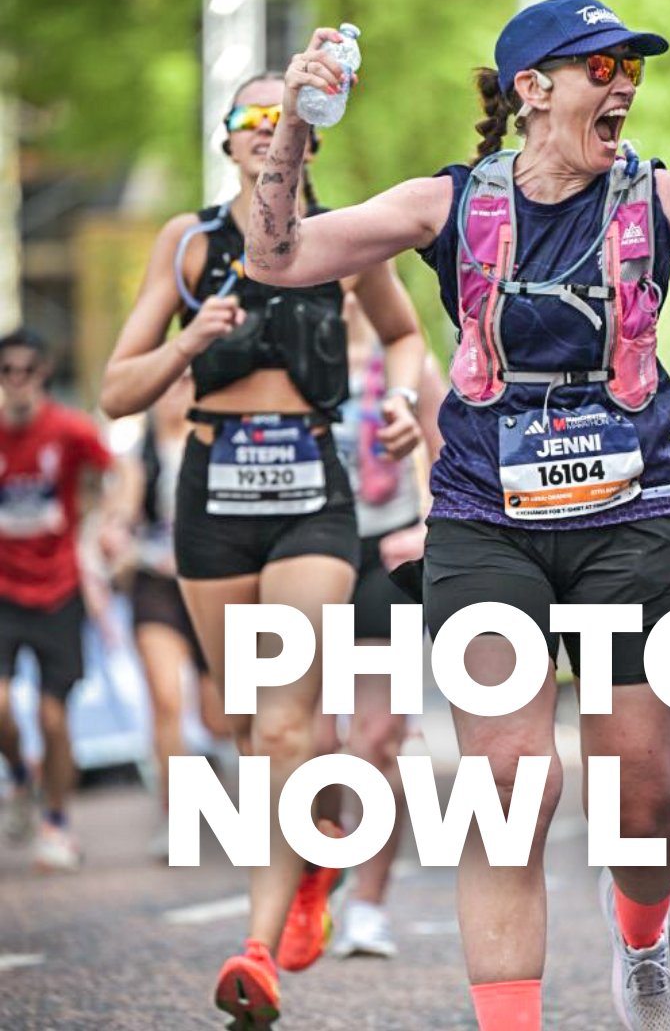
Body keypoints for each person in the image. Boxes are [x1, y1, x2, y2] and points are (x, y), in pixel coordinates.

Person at [247, 0, 670, 1031]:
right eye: (601, 67)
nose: (624, 85)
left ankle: (643, 933)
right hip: (486, 520)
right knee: (508, 786)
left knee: (640, 802)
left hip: (633, 520)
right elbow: (277, 260)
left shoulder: (659, 197)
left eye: (633, 68)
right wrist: (295, 131)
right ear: (533, 89)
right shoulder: (448, 204)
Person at [99, 72, 424, 1030]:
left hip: (311, 497)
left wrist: (402, 402)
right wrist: (187, 341)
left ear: (310, 141)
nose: (266, 130)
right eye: (249, 116)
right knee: (243, 724)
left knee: (285, 729)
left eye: (286, 118)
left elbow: (404, 336)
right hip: (213, 493)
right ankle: (313, 857)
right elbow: (116, 392)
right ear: (228, 138)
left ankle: (255, 949)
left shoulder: (344, 239)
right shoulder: (190, 243)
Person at [276, 294, 445, 970]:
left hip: (385, 555)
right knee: (315, 743)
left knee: (375, 740)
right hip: (308, 553)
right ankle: (321, 867)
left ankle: (369, 907)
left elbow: (448, 452)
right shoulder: (287, 354)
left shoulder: (406, 359)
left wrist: (429, 526)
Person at [98, 372, 232, 860]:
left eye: (184, 383)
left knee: (219, 718)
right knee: (165, 699)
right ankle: (176, 816)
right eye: (166, 386)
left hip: (213, 585)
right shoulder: (138, 455)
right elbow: (120, 508)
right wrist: (115, 530)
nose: (174, 394)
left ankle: (216, 764)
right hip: (157, 587)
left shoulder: (219, 442)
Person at [0, 326, 113, 871]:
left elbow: (121, 473)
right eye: (7, 371)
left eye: (27, 370)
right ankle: (20, 776)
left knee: (52, 717)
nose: (17, 381)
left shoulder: (68, 429)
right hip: (3, 589)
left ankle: (57, 822)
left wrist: (109, 524)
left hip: (59, 588)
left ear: (43, 372)